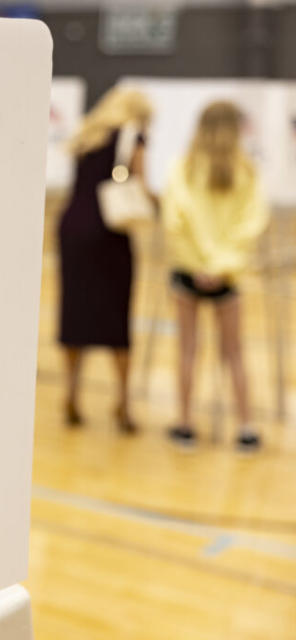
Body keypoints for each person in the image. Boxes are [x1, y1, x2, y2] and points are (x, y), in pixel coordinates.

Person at [161, 101, 269, 450]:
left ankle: (185, 423)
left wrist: (201, 263)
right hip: (228, 275)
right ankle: (246, 427)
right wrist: (221, 264)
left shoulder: (184, 168)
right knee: (234, 351)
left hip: (189, 271)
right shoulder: (247, 172)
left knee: (188, 350)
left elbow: (177, 217)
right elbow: (251, 223)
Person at [58, 88, 153, 433]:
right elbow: (141, 185)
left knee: (75, 315)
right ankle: (123, 404)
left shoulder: (87, 131)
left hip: (72, 227)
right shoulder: (132, 135)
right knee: (116, 319)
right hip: (109, 232)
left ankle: (70, 394)